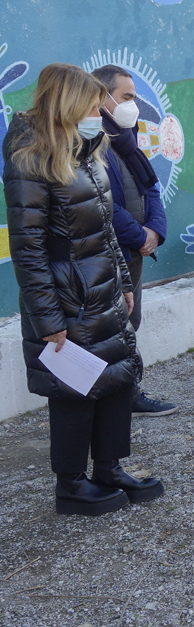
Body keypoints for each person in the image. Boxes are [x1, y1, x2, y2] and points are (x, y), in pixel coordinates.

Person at [2, 63, 164, 515]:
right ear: (69, 104)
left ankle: (108, 468)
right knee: (75, 389)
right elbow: (28, 250)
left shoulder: (84, 152)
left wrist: (122, 279)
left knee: (116, 378)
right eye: (94, 106)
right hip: (66, 299)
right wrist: (48, 320)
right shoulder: (30, 160)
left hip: (104, 290)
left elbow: (106, 230)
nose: (100, 114)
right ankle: (71, 484)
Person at [90, 65, 177, 418]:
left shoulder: (128, 139)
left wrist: (154, 230)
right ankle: (121, 395)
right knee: (115, 328)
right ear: (102, 97)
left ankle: (127, 391)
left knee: (131, 323)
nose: (133, 105)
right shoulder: (92, 144)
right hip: (114, 251)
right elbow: (101, 202)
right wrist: (140, 235)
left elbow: (150, 187)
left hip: (136, 251)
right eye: (126, 97)